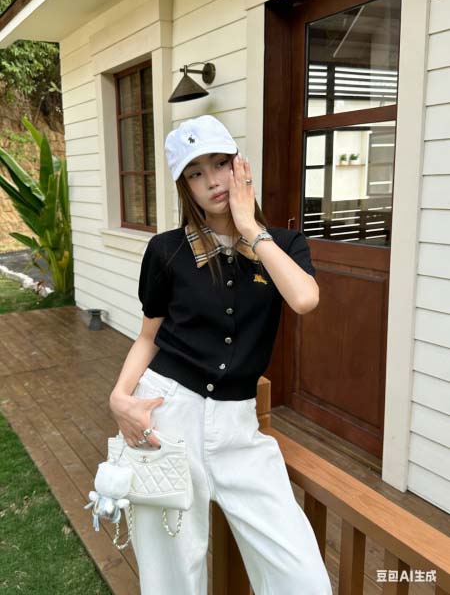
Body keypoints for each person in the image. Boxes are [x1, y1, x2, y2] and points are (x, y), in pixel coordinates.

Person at [109, 115, 333, 595]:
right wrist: (118, 397)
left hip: (239, 425)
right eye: (196, 172)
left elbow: (304, 298)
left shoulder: (283, 244)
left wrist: (249, 226)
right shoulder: (166, 251)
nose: (212, 180)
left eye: (219, 163)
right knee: (170, 576)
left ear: (239, 166)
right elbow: (149, 336)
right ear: (184, 186)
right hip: (166, 416)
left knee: (301, 576)